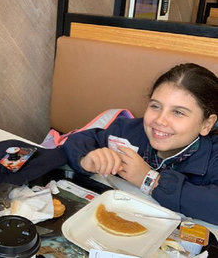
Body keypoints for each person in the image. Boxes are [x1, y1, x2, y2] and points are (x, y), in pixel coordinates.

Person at [60, 63, 218, 225]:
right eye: (155, 106)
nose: (160, 120)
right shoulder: (129, 131)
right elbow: (77, 141)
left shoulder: (214, 156)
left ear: (207, 124)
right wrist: (84, 160)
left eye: (178, 112)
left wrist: (149, 180)